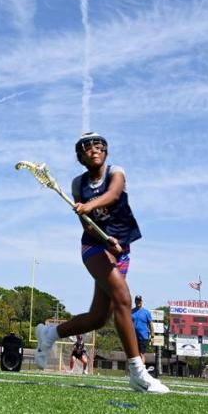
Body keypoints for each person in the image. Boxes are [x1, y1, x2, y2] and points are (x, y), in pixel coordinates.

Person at [34, 132, 168, 393]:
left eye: (98, 145)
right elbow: (87, 225)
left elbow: (114, 194)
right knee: (123, 299)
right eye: (86, 148)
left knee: (98, 317)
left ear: (105, 150)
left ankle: (49, 334)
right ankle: (137, 373)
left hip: (122, 249)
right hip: (94, 247)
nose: (93, 150)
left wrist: (90, 206)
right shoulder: (77, 184)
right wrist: (103, 237)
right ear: (80, 157)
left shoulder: (115, 172)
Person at [131, 295, 154, 368]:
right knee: (134, 354)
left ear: (142, 301)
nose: (138, 302)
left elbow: (151, 325)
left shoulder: (146, 312)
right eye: (137, 300)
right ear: (135, 301)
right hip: (133, 336)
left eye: (139, 300)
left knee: (141, 354)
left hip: (143, 336)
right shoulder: (131, 312)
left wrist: (152, 336)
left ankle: (141, 370)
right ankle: (136, 370)